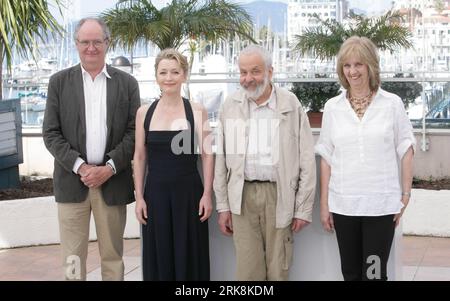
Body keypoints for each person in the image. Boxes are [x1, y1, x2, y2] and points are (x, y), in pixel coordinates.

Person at [43, 18, 140, 281]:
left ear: (107, 43)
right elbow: (51, 133)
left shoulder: (127, 84)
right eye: (85, 42)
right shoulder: (59, 82)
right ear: (76, 44)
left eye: (97, 41)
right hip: (72, 182)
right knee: (72, 258)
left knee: (112, 256)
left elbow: (134, 133)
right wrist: (81, 166)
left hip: (112, 183)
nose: (91, 48)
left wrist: (109, 168)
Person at [315, 36, 415, 281]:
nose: (353, 71)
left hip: (381, 206)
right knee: (350, 273)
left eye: (359, 64)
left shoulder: (392, 104)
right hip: (343, 205)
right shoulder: (333, 107)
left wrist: (405, 195)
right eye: (347, 65)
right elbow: (326, 156)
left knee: (373, 274)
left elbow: (406, 149)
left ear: (371, 66)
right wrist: (325, 204)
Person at [214, 45, 316, 281]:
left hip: (279, 195)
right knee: (248, 272)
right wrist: (223, 206)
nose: (248, 79)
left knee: (278, 268)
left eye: (255, 71)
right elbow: (221, 160)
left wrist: (302, 208)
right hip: (242, 197)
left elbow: (307, 159)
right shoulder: (230, 106)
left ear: (271, 71)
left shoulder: (291, 104)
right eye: (243, 72)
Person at [133, 48, 213, 281]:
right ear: (156, 76)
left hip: (189, 195)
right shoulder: (143, 113)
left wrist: (207, 194)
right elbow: (139, 157)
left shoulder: (197, 111)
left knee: (190, 256)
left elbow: (208, 155)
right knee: (160, 256)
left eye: (175, 72)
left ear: (184, 75)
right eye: (163, 72)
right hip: (155, 196)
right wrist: (139, 198)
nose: (169, 77)